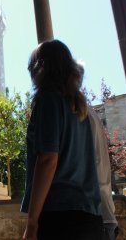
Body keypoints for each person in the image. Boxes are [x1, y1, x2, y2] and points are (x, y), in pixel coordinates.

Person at [21, 40, 103, 240]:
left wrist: (32, 223)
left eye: (32, 65)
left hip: (60, 217)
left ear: (41, 67)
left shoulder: (48, 100)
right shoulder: (80, 108)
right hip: (90, 216)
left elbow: (48, 159)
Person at [88, 108, 118, 240]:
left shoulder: (74, 110)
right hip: (104, 214)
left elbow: (49, 160)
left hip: (91, 218)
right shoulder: (89, 112)